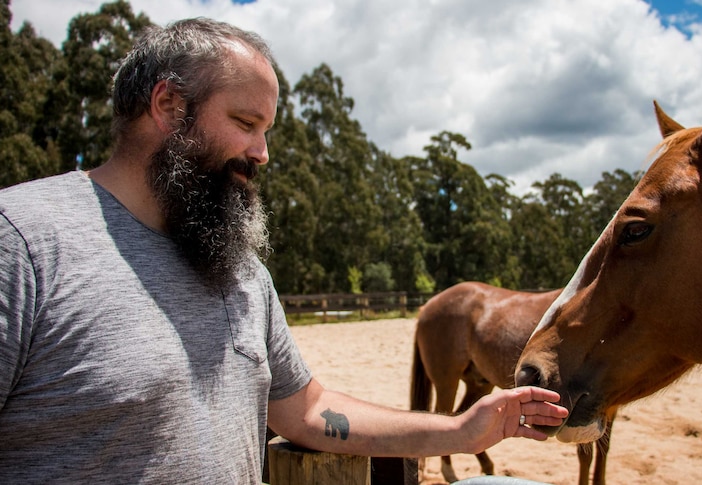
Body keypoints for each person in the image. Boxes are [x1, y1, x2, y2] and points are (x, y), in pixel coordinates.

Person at [0, 17, 567, 483]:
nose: (263, 152)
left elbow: (306, 411)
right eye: (247, 122)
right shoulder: (23, 243)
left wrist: (463, 430)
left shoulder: (242, 273)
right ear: (168, 106)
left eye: (267, 129)